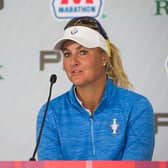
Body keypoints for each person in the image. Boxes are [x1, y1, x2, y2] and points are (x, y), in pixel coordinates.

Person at [37, 16, 155, 160]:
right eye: (67, 54)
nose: (73, 62)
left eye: (83, 52)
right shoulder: (50, 112)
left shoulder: (137, 107)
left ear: (104, 57)